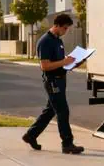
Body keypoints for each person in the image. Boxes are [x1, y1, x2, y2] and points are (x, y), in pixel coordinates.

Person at [22, 14, 85, 154]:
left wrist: (73, 62)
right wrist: (64, 62)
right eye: (65, 28)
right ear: (56, 25)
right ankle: (67, 143)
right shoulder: (45, 42)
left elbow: (58, 62)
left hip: (60, 80)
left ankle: (31, 135)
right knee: (63, 111)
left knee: (50, 111)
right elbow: (45, 66)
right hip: (52, 82)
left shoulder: (58, 40)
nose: (66, 31)